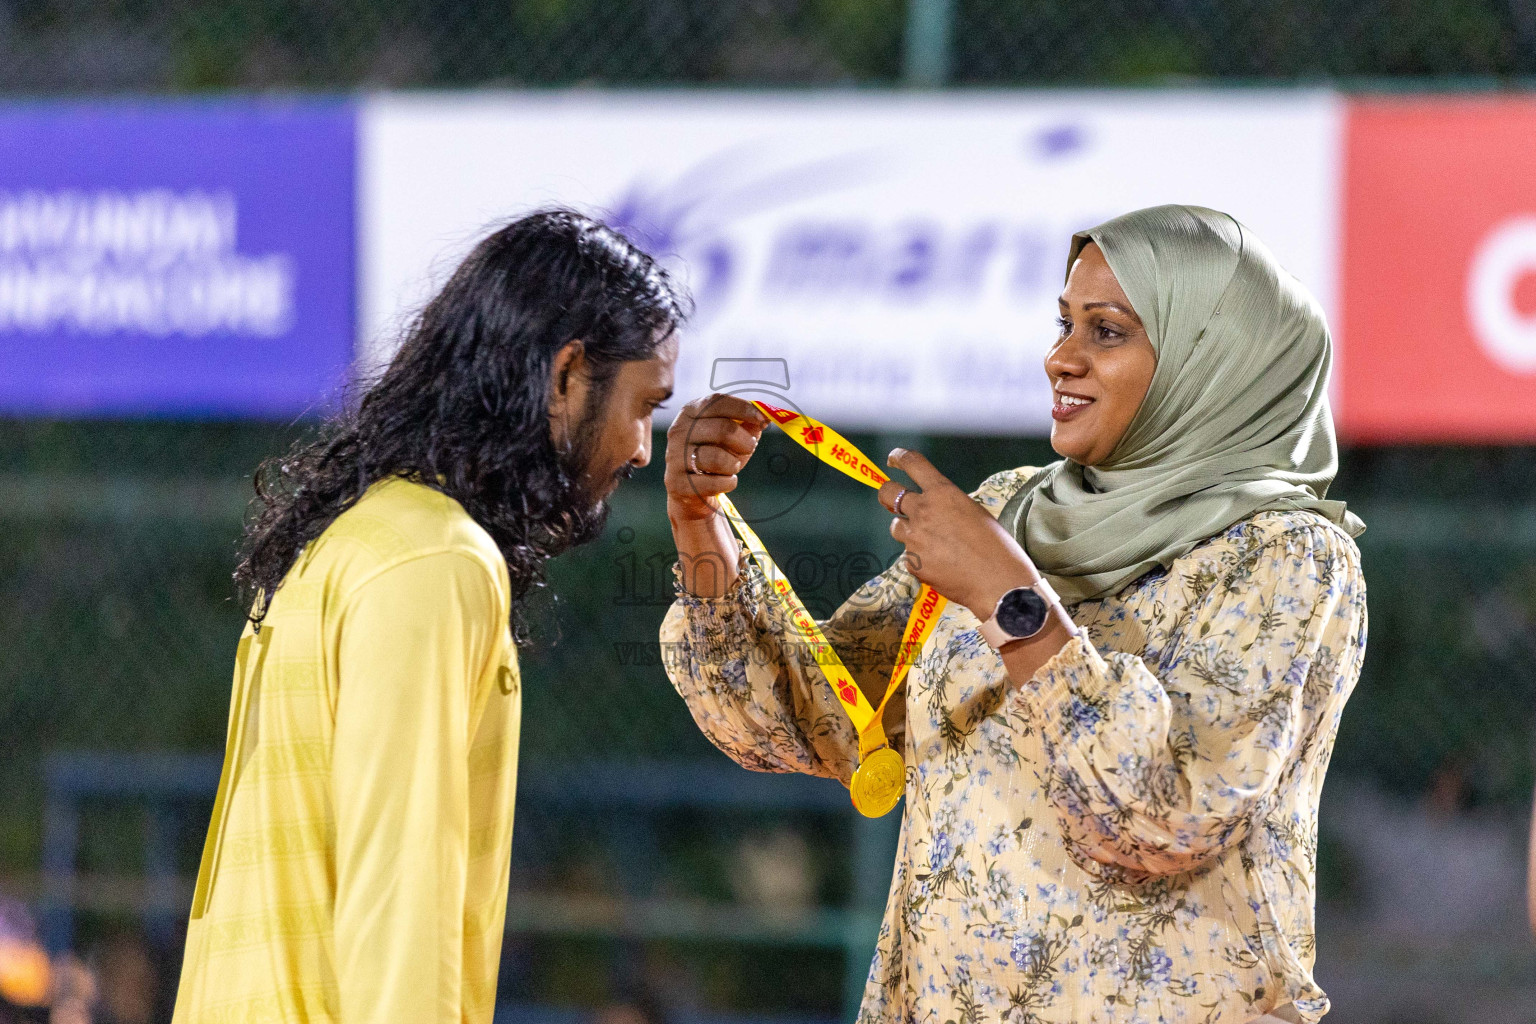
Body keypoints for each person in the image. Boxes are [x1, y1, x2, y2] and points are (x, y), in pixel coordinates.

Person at [660, 205, 1367, 1023]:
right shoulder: (1012, 509)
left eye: (1106, 332)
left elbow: (1166, 817)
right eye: (1064, 323)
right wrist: (701, 527)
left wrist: (1009, 599)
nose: (1059, 357)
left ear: (1209, 359)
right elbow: (801, 722)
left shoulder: (1289, 557)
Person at [172, 210, 685, 1024]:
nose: (641, 448)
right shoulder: (438, 561)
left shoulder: (361, 534)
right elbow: (398, 893)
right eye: (644, 405)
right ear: (567, 377)